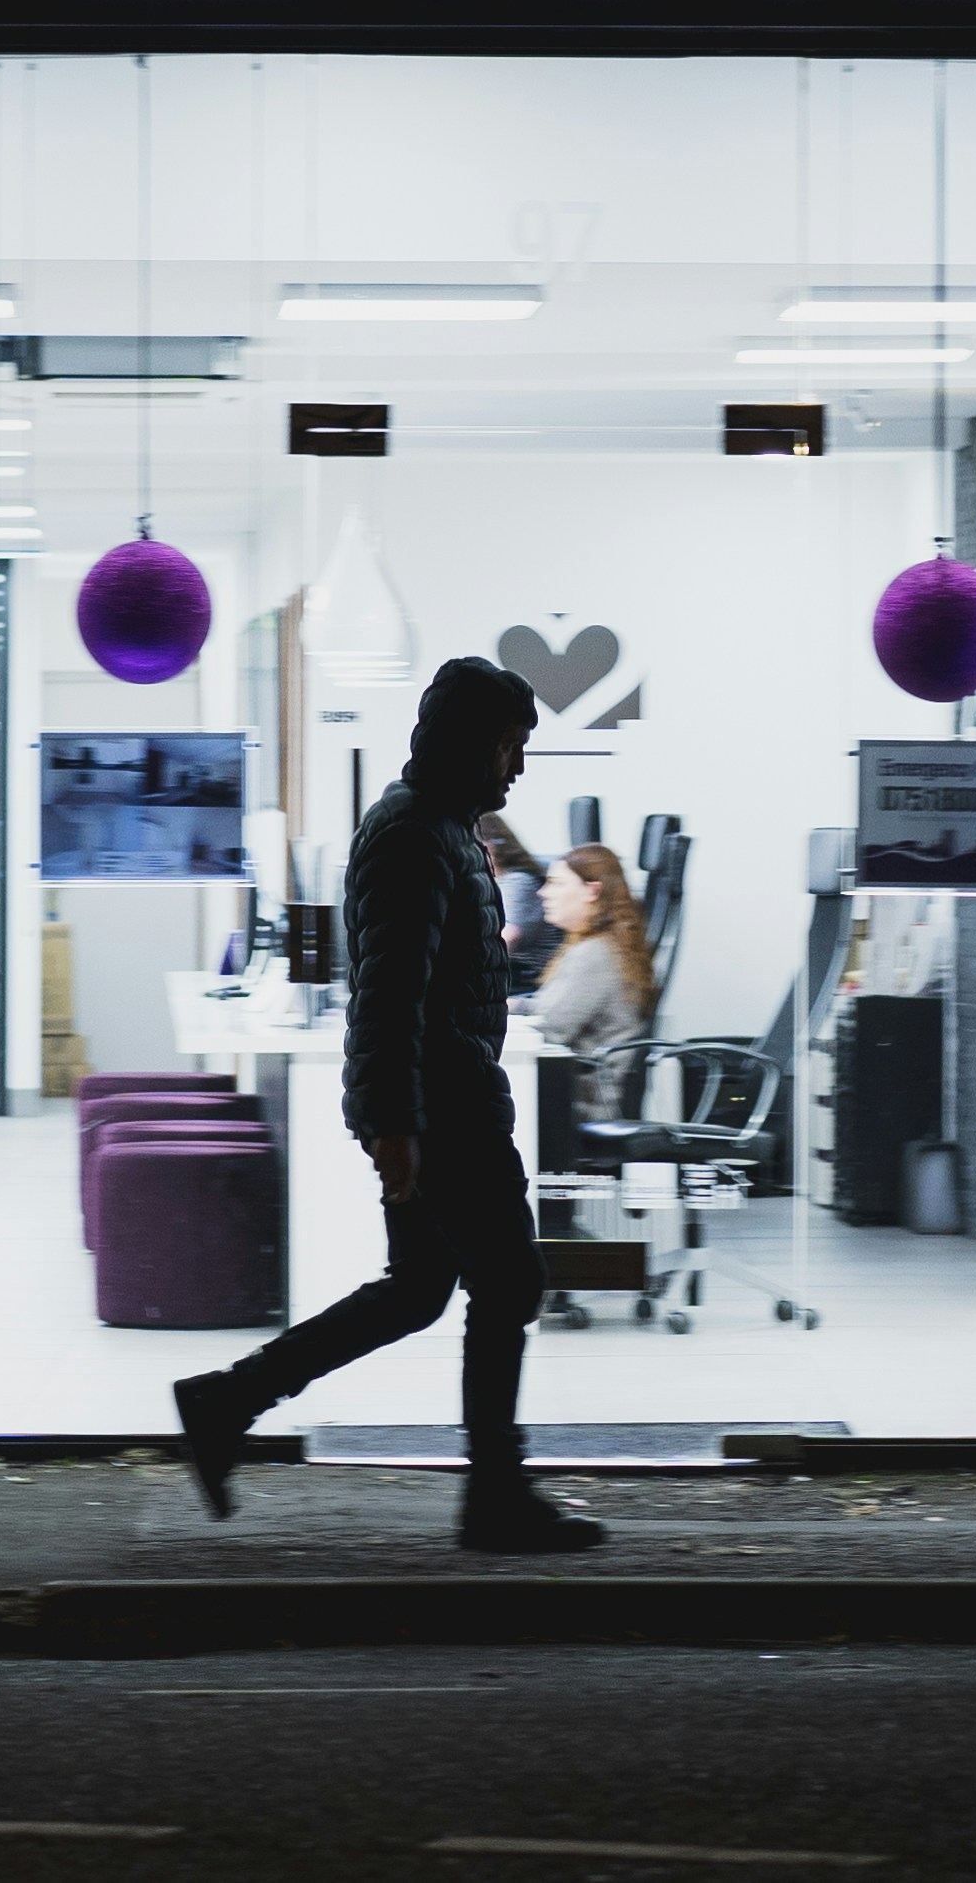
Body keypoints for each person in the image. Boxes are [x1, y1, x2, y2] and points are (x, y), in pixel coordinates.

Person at [172, 657, 601, 1553]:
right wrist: (392, 1125)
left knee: (417, 1290)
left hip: (445, 1095)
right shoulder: (415, 835)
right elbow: (388, 997)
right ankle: (493, 1500)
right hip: (445, 1107)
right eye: (509, 745)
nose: (517, 766)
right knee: (506, 1284)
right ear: (468, 742)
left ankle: (227, 1400)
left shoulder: (439, 829)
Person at [526, 841, 657, 1100]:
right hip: (582, 1092)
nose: (544, 893)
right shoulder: (598, 946)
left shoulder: (594, 954)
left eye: (557, 883)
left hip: (584, 1101)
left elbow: (551, 1027)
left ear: (592, 891)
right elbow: (550, 1010)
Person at [478, 813, 561, 990]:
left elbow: (507, 938)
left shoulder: (518, 881)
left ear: (491, 846)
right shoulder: (493, 883)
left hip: (529, 979)